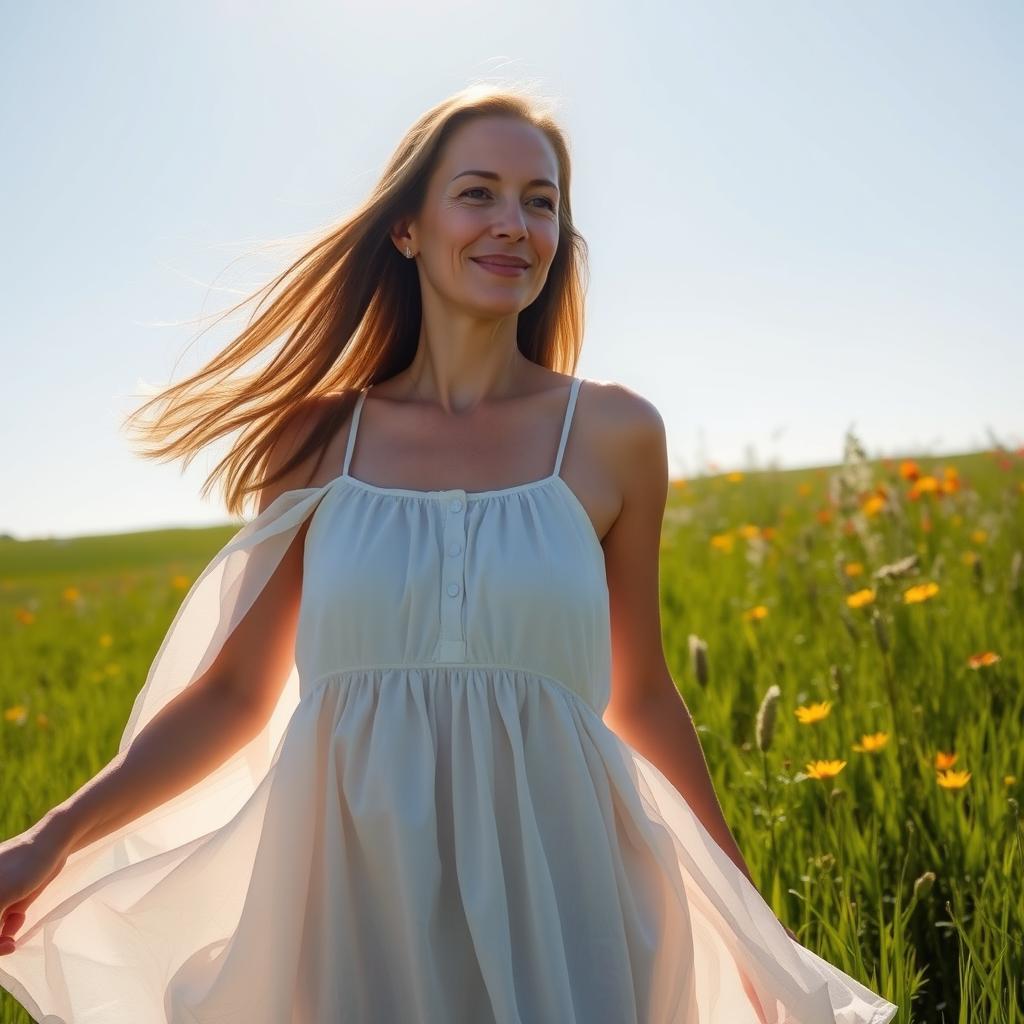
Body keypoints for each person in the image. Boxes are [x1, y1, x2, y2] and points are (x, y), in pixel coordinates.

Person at [0, 83, 897, 1022]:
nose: (514, 223)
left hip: (570, 896)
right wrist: (52, 837)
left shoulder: (613, 433)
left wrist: (748, 930)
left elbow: (640, 693)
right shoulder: (316, 442)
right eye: (479, 192)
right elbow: (233, 696)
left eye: (540, 201)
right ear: (408, 231)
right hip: (352, 902)